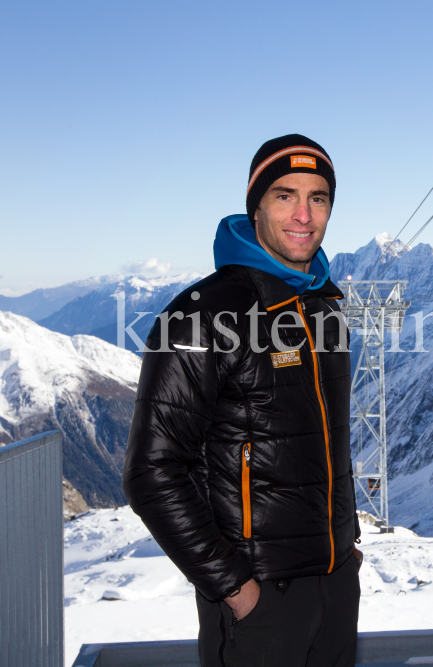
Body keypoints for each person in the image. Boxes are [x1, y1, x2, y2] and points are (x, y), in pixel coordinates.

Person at [123, 134, 361, 667]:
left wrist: (347, 548)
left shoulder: (323, 306)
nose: (303, 214)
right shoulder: (201, 316)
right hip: (260, 599)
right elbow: (152, 472)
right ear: (255, 207)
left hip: (335, 588)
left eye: (318, 197)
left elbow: (325, 443)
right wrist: (237, 590)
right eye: (284, 195)